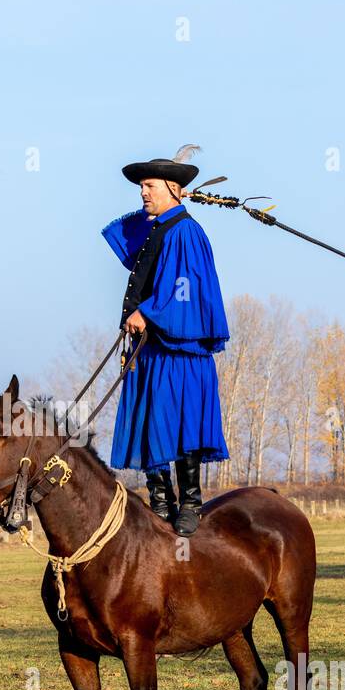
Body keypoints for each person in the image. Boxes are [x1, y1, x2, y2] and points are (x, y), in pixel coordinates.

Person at [102, 145, 230, 536]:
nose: (142, 192)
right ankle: (161, 503)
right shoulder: (160, 228)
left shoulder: (186, 232)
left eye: (149, 185)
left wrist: (148, 313)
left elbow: (184, 289)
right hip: (152, 351)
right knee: (152, 425)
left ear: (172, 188)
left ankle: (190, 503)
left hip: (181, 351)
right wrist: (171, 199)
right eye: (141, 186)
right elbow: (128, 235)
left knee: (182, 425)